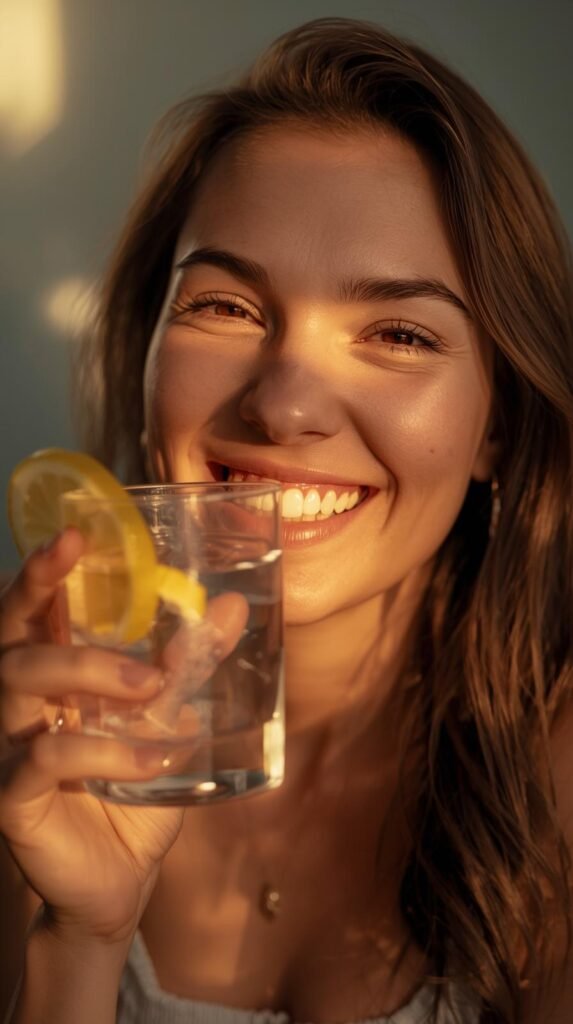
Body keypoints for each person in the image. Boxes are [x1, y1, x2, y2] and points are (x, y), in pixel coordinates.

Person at [1, 15, 572, 1024]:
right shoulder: (28, 744)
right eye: (224, 306)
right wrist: (78, 942)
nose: (283, 405)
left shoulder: (555, 779)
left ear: (497, 427)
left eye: (396, 332)